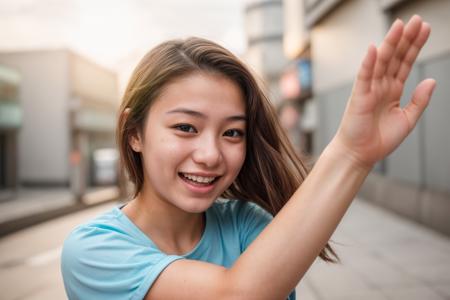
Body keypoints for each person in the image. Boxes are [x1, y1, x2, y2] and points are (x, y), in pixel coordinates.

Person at [61, 15, 435, 300]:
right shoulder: (93, 250)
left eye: (232, 133)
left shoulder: (245, 225)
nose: (210, 155)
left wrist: (357, 153)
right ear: (135, 133)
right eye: (186, 128)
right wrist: (349, 154)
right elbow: (240, 293)